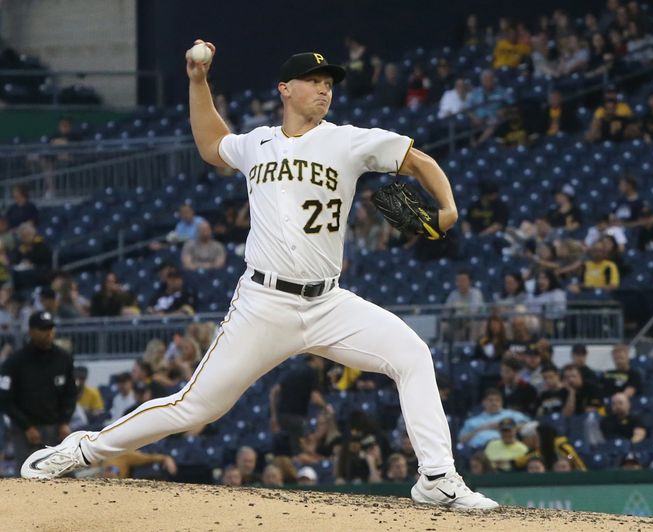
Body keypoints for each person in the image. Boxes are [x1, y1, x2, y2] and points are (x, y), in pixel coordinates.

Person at [23, 46, 497, 511]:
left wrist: (449, 207)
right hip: (264, 304)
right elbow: (211, 145)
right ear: (285, 89)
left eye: (329, 84)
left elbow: (419, 161)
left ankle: (436, 478)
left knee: (412, 354)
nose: (323, 90)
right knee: (196, 407)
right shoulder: (256, 143)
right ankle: (82, 451)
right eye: (314, 82)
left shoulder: (348, 140)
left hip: (328, 304)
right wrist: (197, 81)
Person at [0, 311, 77, 473]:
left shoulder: (64, 358)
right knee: (27, 473)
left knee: (61, 474)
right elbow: (5, 398)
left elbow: (70, 393)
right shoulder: (15, 362)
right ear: (31, 331)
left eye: (51, 328)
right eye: (43, 329)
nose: (48, 332)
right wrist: (26, 427)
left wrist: (64, 421)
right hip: (24, 431)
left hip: (55, 428)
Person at [269, 355, 329, 455]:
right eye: (323, 361)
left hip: (282, 417)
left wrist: (274, 416)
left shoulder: (292, 370)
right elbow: (315, 398)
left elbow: (274, 392)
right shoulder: (312, 372)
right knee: (301, 452)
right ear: (316, 358)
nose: (324, 365)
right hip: (297, 418)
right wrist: (327, 407)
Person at [458, 388, 529, 449]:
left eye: (497, 400)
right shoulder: (472, 421)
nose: (494, 403)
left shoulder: (511, 415)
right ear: (483, 402)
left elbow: (529, 425)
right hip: (479, 451)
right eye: (490, 400)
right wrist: (480, 429)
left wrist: (503, 425)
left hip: (505, 448)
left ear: (502, 402)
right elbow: (462, 440)